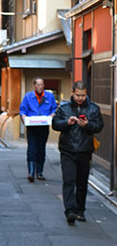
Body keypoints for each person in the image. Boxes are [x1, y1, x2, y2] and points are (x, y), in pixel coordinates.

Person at [52, 80, 103, 224]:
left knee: (82, 182)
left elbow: (99, 126)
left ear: (86, 94)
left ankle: (80, 210)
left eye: (83, 95)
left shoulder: (93, 109)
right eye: (78, 95)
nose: (80, 98)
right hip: (67, 149)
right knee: (69, 181)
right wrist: (66, 123)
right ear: (72, 92)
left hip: (85, 150)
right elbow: (55, 124)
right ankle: (70, 211)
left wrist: (88, 125)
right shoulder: (64, 108)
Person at [20, 77, 57, 182]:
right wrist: (24, 117)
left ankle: (39, 172)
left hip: (44, 126)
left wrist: (52, 115)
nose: (40, 86)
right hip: (32, 127)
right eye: (38, 84)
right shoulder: (28, 96)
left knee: (41, 149)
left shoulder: (49, 96)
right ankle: (31, 172)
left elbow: (54, 108)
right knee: (32, 148)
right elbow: (22, 109)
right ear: (34, 86)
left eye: (42, 84)